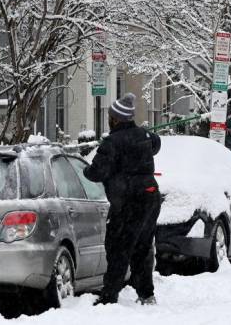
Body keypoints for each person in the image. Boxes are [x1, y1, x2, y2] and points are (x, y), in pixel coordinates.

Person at [84, 92, 162, 306]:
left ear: (115, 119)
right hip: (150, 197)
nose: (109, 120)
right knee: (142, 247)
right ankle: (146, 294)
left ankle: (109, 298)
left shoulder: (112, 142)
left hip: (128, 200)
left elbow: (96, 173)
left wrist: (86, 169)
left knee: (118, 247)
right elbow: (156, 143)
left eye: (110, 117)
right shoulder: (145, 136)